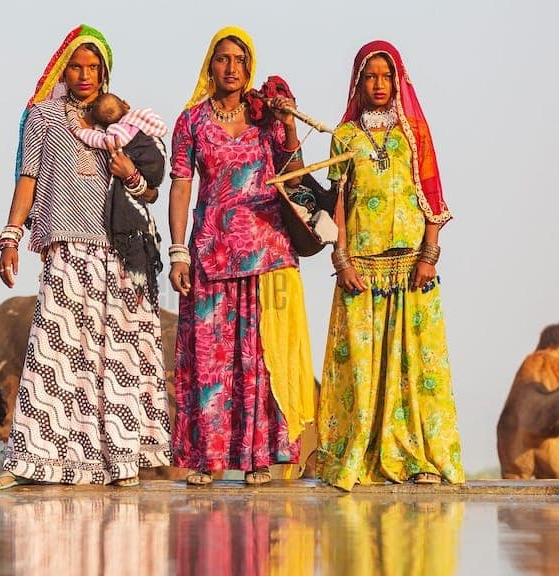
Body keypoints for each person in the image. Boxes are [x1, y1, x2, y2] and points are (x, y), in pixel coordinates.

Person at [0, 24, 171, 489]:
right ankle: (32, 462)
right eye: (77, 65)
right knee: (57, 351)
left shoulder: (123, 120)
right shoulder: (44, 117)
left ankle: (120, 463)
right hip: (68, 245)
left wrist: (129, 172)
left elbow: (149, 189)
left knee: (121, 358)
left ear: (104, 70)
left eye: (93, 67)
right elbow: (28, 180)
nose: (85, 75)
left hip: (124, 252)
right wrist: (10, 236)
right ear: (63, 68)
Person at [167, 26, 315, 486]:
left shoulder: (263, 116)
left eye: (240, 60)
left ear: (249, 68)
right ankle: (206, 459)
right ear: (209, 65)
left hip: (267, 253)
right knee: (209, 358)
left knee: (261, 358)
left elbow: (294, 175)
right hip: (210, 252)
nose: (231, 68)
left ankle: (260, 457)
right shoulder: (191, 121)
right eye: (222, 58)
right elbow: (181, 184)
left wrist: (287, 123)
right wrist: (177, 252)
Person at [316, 40, 464, 491]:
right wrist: (341, 262)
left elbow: (433, 196)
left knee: (412, 368)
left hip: (410, 270)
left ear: (397, 81)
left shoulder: (413, 134)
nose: (378, 84)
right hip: (361, 268)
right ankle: (359, 454)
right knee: (361, 372)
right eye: (370, 76)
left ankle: (417, 456)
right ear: (357, 83)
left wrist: (429, 255)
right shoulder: (344, 137)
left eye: (386, 76)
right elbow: (335, 203)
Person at [73, 92, 169, 295]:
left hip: (146, 168)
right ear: (125, 104)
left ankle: (138, 279)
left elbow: (102, 140)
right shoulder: (144, 117)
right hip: (153, 171)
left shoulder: (118, 133)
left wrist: (80, 131)